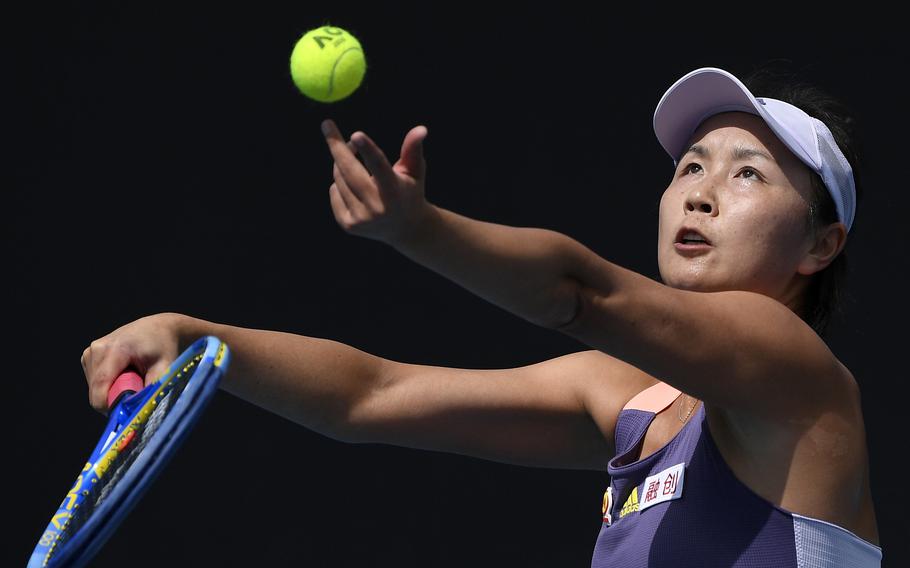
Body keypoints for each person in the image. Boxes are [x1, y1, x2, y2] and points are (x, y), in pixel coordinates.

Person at [81, 65, 882, 566]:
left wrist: (419, 229)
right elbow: (370, 396)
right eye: (689, 167)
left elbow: (580, 292)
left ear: (821, 245)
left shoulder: (796, 377)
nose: (701, 190)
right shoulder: (631, 402)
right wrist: (196, 340)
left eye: (749, 175)